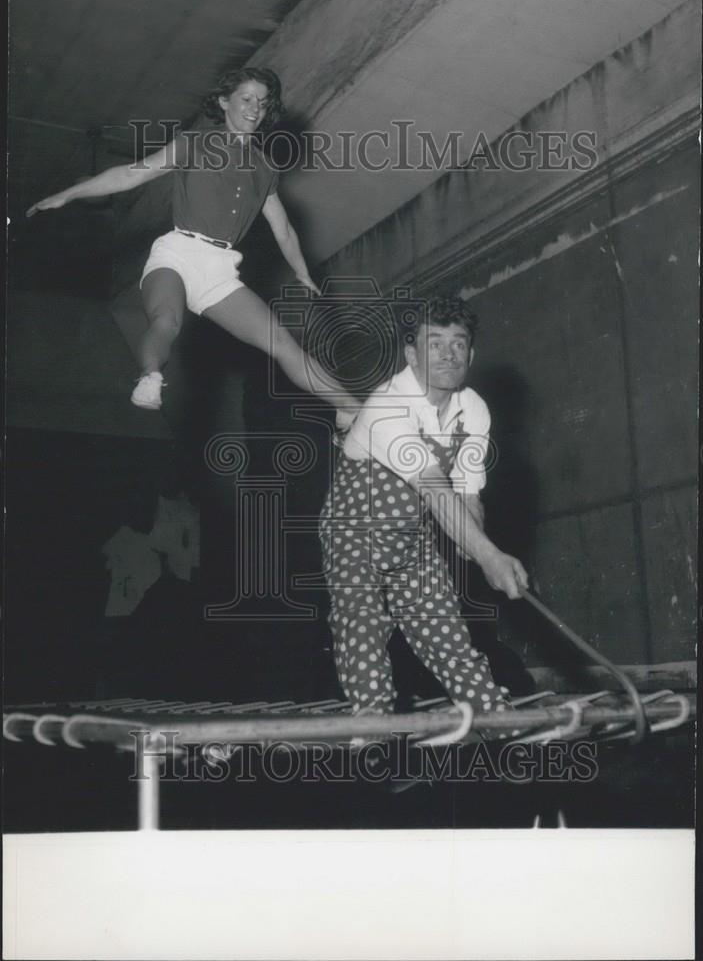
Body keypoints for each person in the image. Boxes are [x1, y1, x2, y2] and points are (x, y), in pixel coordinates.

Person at [26, 67, 360, 425]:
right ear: (223, 101)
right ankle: (150, 377)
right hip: (178, 252)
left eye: (262, 104)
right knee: (166, 320)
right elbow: (131, 173)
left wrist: (302, 272)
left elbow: (284, 230)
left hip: (220, 268)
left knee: (281, 342)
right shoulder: (193, 143)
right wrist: (69, 193)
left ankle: (352, 408)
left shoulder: (264, 169)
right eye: (246, 99)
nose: (254, 109)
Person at [319, 294, 529, 720]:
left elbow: (467, 493)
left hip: (412, 537)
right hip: (353, 533)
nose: (448, 354)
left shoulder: (473, 410)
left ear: (471, 352)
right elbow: (433, 486)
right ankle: (372, 730)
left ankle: (499, 725)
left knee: (446, 630)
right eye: (435, 343)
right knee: (362, 623)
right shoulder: (387, 406)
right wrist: (489, 555)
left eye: (458, 343)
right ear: (411, 353)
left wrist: (479, 551)